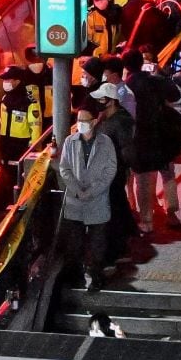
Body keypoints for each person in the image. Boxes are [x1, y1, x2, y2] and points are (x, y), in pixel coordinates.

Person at [56, 101, 118, 289]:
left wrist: (92, 190)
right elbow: (64, 168)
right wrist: (76, 189)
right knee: (74, 243)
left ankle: (96, 275)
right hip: (75, 202)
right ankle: (76, 276)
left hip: (97, 200)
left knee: (97, 243)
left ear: (93, 121)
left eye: (84, 120)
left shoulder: (105, 142)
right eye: (78, 119)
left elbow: (110, 169)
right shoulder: (70, 141)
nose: (81, 123)